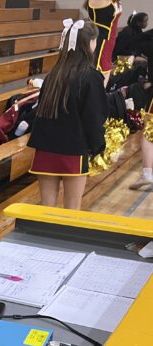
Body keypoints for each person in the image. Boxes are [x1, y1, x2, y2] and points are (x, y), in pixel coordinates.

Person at [28, 19, 107, 210]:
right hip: (73, 150)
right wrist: (98, 147)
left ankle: (43, 240)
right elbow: (94, 118)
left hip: (45, 148)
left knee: (46, 210)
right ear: (89, 43)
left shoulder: (52, 75)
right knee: (72, 210)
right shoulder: (91, 76)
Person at [87, 0, 123, 85]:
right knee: (99, 74)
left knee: (105, 72)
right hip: (101, 41)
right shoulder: (101, 1)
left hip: (110, 41)